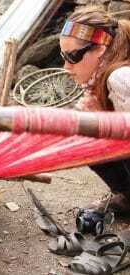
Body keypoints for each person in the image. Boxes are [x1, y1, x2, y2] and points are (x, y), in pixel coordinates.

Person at [59, 6, 130, 214]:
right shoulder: (103, 74)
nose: (66, 66)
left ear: (99, 49)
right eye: (63, 56)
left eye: (73, 56)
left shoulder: (121, 78)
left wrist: (103, 120)